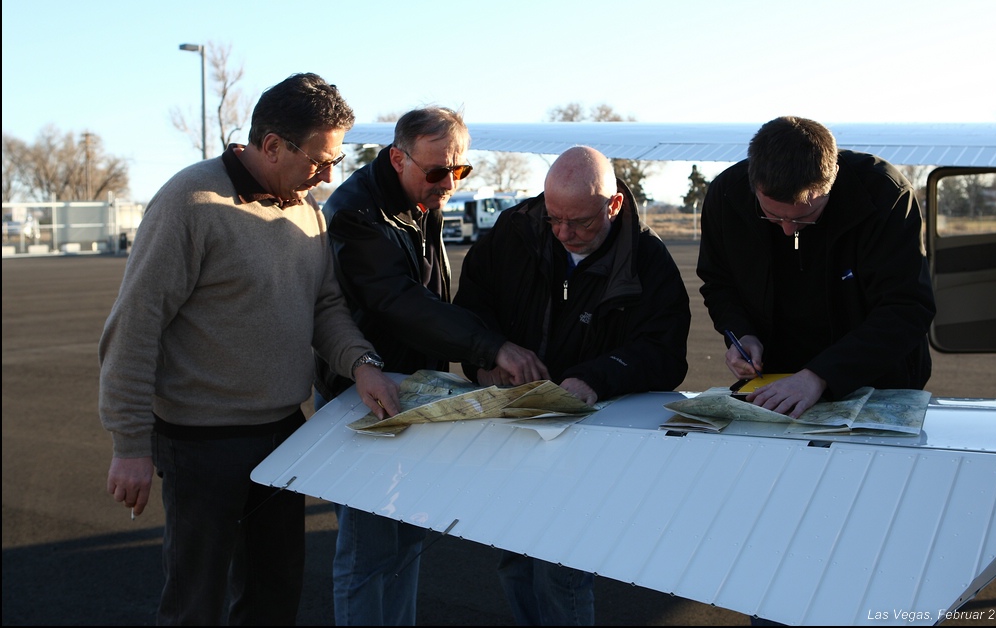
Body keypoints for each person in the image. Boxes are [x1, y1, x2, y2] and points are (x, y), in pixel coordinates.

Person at [98, 72, 399, 626]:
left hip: (283, 434)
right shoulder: (190, 202)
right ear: (272, 145)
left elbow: (325, 308)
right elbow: (134, 328)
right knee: (195, 605)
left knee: (274, 598)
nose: (329, 175)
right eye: (320, 160)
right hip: (200, 445)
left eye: (335, 160)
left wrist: (362, 364)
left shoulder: (306, 210)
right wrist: (130, 445)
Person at [313, 106, 549, 625]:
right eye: (439, 170)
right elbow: (401, 302)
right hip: (367, 395)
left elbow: (431, 297)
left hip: (415, 393)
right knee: (369, 551)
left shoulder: (420, 199)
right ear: (398, 159)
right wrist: (491, 348)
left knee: (406, 543)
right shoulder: (357, 213)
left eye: (459, 169)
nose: (450, 183)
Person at [452, 145, 691, 625]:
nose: (563, 233)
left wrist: (594, 378)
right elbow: (471, 308)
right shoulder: (513, 232)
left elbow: (665, 352)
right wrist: (487, 358)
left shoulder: (647, 260)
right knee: (513, 557)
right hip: (515, 425)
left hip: (585, 437)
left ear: (614, 205)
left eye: (579, 222)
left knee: (561, 569)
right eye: (553, 217)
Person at [696, 115, 936, 422]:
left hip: (877, 383)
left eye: (802, 218)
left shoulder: (885, 194)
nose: (787, 230)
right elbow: (719, 282)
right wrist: (741, 334)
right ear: (753, 184)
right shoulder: (726, 196)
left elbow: (906, 306)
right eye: (771, 215)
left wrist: (820, 375)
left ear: (831, 180)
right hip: (774, 382)